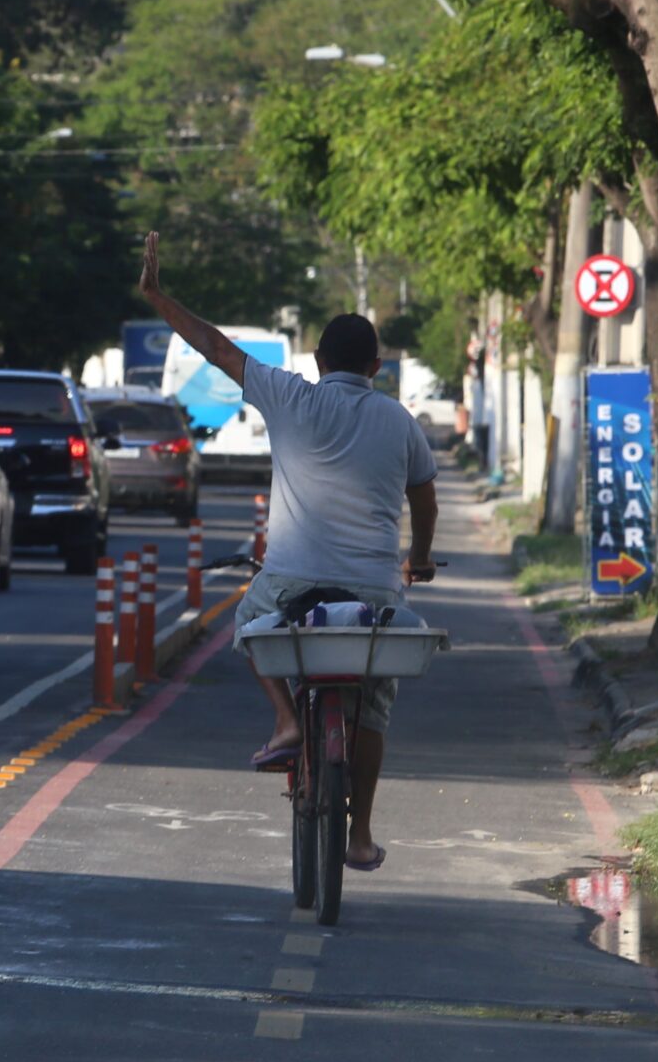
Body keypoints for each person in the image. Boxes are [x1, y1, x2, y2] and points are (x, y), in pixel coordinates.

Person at [138, 232, 437, 873]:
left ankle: (286, 720)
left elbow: (215, 347)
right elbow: (426, 503)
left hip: (290, 586)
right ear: (375, 368)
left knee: (249, 622)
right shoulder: (400, 421)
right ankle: (359, 836)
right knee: (375, 705)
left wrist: (157, 296)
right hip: (375, 596)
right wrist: (422, 558)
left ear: (318, 361)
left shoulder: (288, 394)